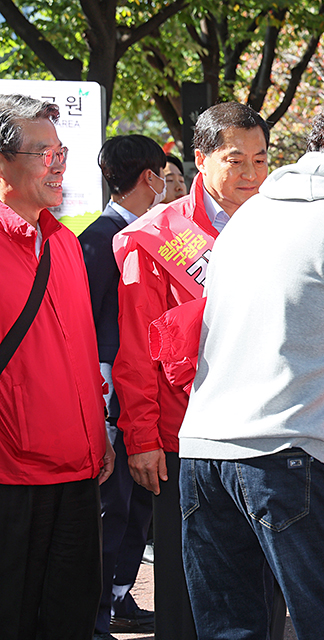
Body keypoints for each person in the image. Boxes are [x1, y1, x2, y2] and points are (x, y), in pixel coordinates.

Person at [175, 93, 324, 639]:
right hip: (289, 452)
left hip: (203, 450)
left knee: (231, 627)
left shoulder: (251, 211)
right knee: (323, 622)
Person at [112, 102, 270, 640]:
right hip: (186, 441)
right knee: (186, 589)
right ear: (201, 159)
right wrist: (141, 439)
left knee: (264, 586)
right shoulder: (157, 237)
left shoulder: (280, 225)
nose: (250, 173)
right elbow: (135, 351)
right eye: (235, 160)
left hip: (265, 433)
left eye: (261, 158)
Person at [0, 94, 114, 639]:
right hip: (11, 480)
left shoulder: (64, 242)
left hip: (79, 472)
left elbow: (78, 352)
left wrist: (100, 435)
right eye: (45, 153)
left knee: (70, 618)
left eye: (63, 151)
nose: (60, 164)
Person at [79, 134, 165, 637]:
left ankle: (118, 597)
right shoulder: (101, 239)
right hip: (108, 400)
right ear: (149, 177)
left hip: (134, 397)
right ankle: (96, 616)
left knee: (132, 512)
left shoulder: (136, 233)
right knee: (112, 513)